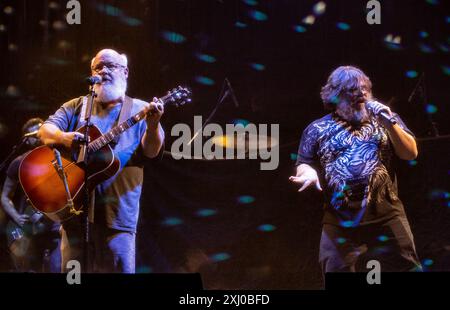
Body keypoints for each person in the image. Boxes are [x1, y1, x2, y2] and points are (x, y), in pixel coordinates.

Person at [38, 48, 165, 273]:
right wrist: (64, 138)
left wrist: (153, 126)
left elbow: (152, 152)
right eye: (98, 67)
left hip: (117, 218)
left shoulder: (140, 109)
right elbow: (45, 131)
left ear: (125, 72)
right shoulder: (78, 105)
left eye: (110, 66)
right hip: (74, 217)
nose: (104, 71)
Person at [289, 66, 422, 274]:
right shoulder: (317, 129)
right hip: (339, 222)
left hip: (388, 216)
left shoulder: (387, 119)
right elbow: (303, 162)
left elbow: (410, 153)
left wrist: (390, 123)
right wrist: (307, 172)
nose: (361, 94)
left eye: (364, 89)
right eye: (352, 90)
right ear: (335, 95)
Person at [1, 118, 61, 272]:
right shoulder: (18, 162)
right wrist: (16, 217)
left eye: (42, 131)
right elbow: (5, 196)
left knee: (56, 268)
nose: (40, 136)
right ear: (27, 140)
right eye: (35, 134)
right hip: (30, 229)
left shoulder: (58, 158)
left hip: (54, 228)